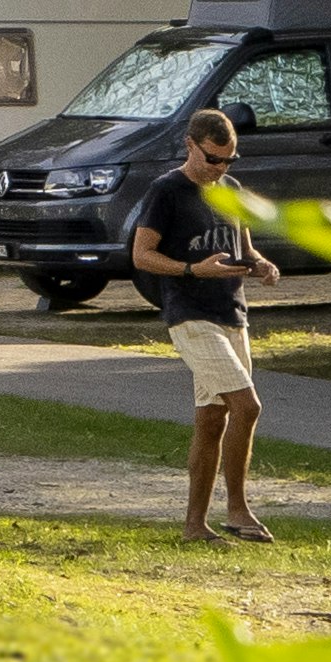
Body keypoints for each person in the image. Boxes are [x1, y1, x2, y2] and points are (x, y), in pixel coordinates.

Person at [130, 112, 271, 544]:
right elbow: (141, 255)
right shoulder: (167, 190)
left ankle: (195, 526)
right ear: (191, 146)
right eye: (213, 159)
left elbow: (241, 246)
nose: (220, 169)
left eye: (229, 160)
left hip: (232, 312)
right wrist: (192, 270)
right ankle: (239, 510)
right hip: (190, 314)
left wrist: (259, 263)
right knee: (248, 406)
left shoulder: (230, 190)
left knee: (213, 418)